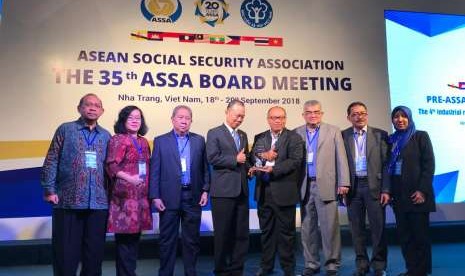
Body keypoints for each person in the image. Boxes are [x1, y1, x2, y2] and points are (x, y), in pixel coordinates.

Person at [41, 93, 111, 276]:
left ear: (102, 111)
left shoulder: (106, 136)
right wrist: (49, 189)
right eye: (88, 104)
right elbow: (52, 159)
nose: (93, 108)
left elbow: (111, 168)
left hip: (98, 202)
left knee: (94, 256)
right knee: (65, 255)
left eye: (97, 105)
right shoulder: (66, 129)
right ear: (79, 108)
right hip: (68, 201)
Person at [149, 105, 209, 276]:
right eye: (180, 117)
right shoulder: (160, 141)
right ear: (173, 119)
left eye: (187, 118)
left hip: (193, 197)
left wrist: (205, 190)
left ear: (191, 121)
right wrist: (155, 196)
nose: (184, 121)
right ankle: (165, 273)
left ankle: (191, 272)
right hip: (168, 199)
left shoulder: (199, 140)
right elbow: (155, 171)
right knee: (167, 241)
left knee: (192, 241)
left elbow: (205, 169)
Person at [294, 100, 350, 276]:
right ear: (303, 115)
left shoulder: (332, 130)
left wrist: (344, 182)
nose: (313, 115)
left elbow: (341, 158)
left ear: (322, 114)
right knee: (307, 228)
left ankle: (332, 263)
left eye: (316, 112)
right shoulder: (296, 133)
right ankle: (311, 263)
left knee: (330, 228)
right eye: (309, 112)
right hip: (304, 185)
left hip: (326, 185)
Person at [249, 106, 304, 276]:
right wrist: (262, 157)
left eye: (281, 117)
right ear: (268, 119)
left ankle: (289, 269)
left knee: (286, 234)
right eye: (274, 117)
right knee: (266, 232)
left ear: (285, 119)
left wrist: (274, 169)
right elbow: (253, 156)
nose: (277, 120)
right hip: (264, 192)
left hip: (284, 192)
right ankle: (266, 267)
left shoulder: (294, 138)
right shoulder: (260, 137)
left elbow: (295, 161)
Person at [341, 102, 390, 276]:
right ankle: (361, 264)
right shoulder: (342, 136)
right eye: (354, 114)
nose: (359, 117)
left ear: (367, 115)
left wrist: (386, 189)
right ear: (349, 117)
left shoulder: (380, 135)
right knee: (356, 230)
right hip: (353, 188)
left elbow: (386, 165)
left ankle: (379, 265)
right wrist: (342, 187)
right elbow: (339, 165)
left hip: (374, 187)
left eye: (362, 113)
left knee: (379, 228)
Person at [387, 106, 435, 276]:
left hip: (417, 195)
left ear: (409, 118)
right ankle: (412, 269)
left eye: (403, 116)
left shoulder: (420, 136)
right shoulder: (391, 140)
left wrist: (422, 190)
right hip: (399, 196)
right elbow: (388, 168)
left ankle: (420, 271)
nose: (400, 120)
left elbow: (428, 166)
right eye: (396, 117)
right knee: (405, 236)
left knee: (419, 237)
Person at [106, 105, 153, 276]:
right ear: (123, 120)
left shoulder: (143, 141)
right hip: (124, 200)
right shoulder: (118, 139)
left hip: (140, 198)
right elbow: (111, 165)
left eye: (138, 118)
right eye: (131, 117)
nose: (135, 121)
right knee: (124, 243)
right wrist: (130, 178)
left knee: (134, 241)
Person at [206, 99, 250, 276]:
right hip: (223, 192)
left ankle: (237, 269)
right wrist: (234, 159)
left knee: (241, 234)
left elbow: (244, 160)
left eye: (242, 116)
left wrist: (251, 169)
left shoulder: (243, 135)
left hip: (242, 190)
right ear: (227, 112)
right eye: (237, 115)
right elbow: (212, 157)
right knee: (223, 234)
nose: (239, 119)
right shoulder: (214, 133)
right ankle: (222, 270)